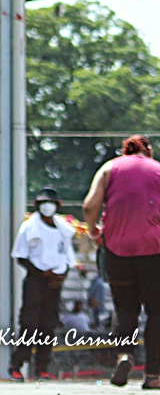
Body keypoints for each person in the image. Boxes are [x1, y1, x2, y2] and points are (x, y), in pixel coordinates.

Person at [82, 135, 160, 389]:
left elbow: (89, 205)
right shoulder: (158, 169)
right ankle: (153, 375)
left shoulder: (109, 168)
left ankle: (125, 354)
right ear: (148, 151)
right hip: (154, 251)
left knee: (125, 309)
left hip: (117, 250)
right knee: (156, 313)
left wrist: (94, 231)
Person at [9, 187, 76, 382]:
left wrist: (60, 276)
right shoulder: (30, 227)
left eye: (51, 204)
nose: (47, 207)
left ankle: (42, 368)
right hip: (36, 282)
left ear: (58, 206)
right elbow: (20, 256)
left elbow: (67, 257)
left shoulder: (63, 229)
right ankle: (17, 364)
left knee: (48, 325)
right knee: (30, 324)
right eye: (44, 204)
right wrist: (41, 273)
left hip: (54, 284)